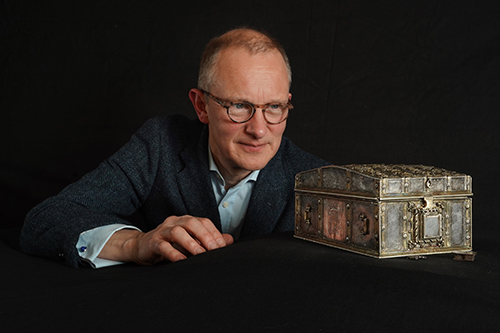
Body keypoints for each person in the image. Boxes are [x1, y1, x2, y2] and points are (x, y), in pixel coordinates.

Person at [20, 28, 329, 268]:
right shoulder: (160, 143)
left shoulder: (317, 181)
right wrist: (136, 245)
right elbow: (43, 222)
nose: (259, 130)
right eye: (239, 105)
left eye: (274, 107)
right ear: (201, 106)